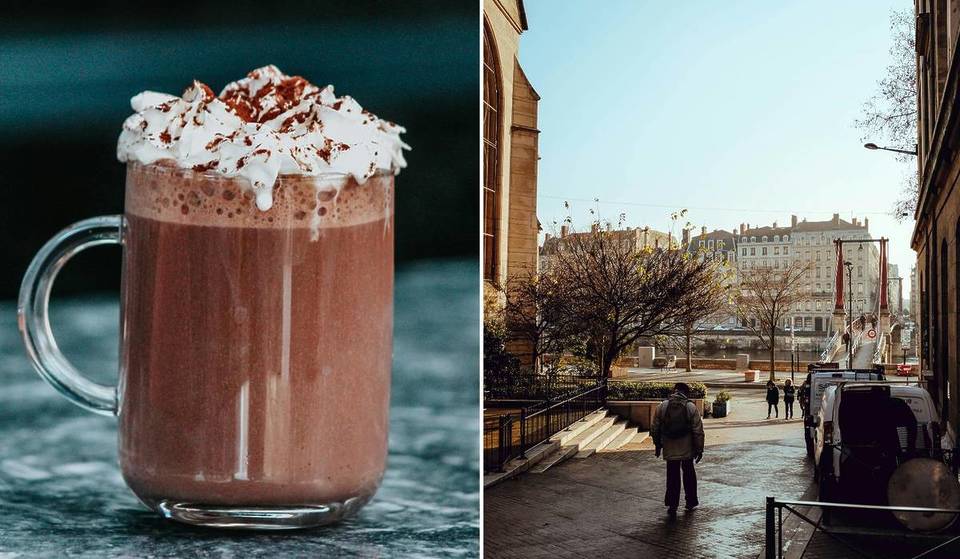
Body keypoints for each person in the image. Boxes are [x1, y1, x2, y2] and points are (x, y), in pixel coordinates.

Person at [651, 382, 705, 519]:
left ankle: (672, 504)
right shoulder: (690, 407)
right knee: (689, 474)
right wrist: (699, 449)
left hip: (670, 447)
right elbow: (698, 431)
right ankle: (691, 501)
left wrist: (658, 445)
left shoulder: (662, 406)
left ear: (674, 391)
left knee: (672, 476)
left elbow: (655, 428)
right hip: (687, 448)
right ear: (686, 393)